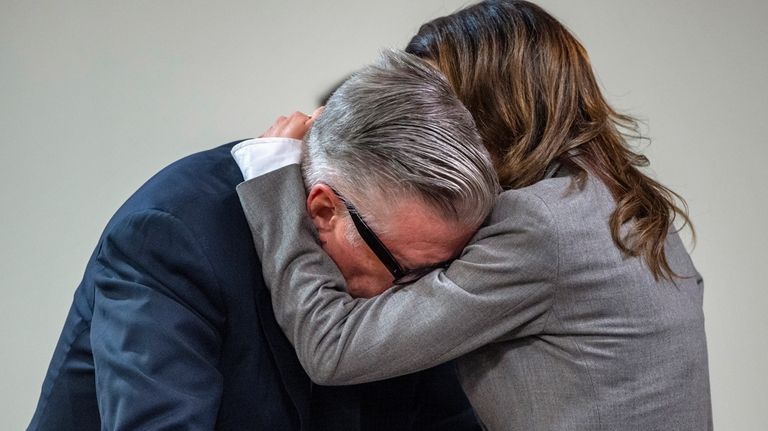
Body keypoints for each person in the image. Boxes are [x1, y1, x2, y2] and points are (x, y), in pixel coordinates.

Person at [236, 1, 712, 430]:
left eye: (433, 100)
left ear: (486, 103)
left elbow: (335, 349)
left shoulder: (542, 223)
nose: (424, 121)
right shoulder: (618, 199)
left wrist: (273, 176)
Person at [27, 51, 498, 430]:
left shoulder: (400, 252)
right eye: (408, 272)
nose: (422, 295)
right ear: (322, 211)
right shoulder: (174, 235)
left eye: (442, 272)